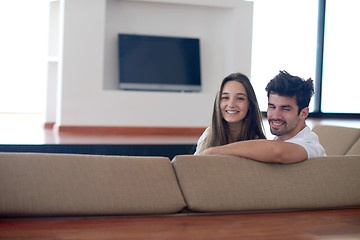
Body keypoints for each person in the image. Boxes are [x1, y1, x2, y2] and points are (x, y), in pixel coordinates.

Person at [199, 70, 326, 163]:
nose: (275, 115)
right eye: (272, 106)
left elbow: (277, 152)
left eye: (285, 109)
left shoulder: (310, 145)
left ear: (303, 113)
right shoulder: (275, 141)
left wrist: (213, 151)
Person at [194, 72, 266, 154]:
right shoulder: (208, 136)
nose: (231, 104)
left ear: (250, 104)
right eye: (225, 97)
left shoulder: (259, 142)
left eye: (240, 98)